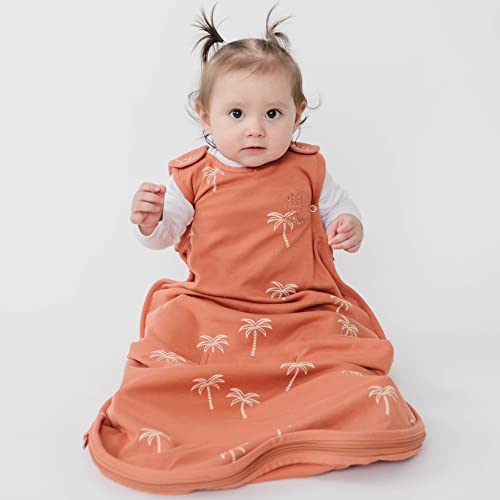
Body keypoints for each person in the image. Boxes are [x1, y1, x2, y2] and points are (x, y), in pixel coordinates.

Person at [83, 3, 426, 494]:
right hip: (213, 308)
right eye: (237, 114)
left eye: (273, 114)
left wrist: (348, 225)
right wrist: (149, 220)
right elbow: (164, 235)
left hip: (298, 309)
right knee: (163, 350)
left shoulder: (308, 168)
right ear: (205, 115)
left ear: (298, 113)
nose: (255, 129)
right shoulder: (192, 175)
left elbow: (339, 207)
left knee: (348, 367)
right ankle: (187, 417)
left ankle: (324, 411)